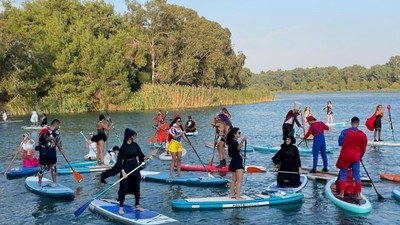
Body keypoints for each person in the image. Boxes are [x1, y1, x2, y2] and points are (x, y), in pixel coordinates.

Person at [336, 116, 367, 200]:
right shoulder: (362, 134)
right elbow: (363, 148)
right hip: (356, 156)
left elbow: (340, 143)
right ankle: (358, 195)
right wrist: (360, 156)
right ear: (358, 123)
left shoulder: (345, 132)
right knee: (357, 175)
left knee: (343, 174)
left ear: (351, 123)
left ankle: (341, 194)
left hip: (345, 156)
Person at [116, 128, 145, 215]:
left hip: (135, 167)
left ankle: (137, 205)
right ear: (129, 136)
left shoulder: (135, 145)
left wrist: (146, 158)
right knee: (124, 187)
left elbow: (141, 155)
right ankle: (121, 207)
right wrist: (123, 172)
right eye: (133, 135)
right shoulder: (123, 147)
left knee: (137, 185)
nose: (135, 137)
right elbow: (119, 161)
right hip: (126, 168)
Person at [36, 119, 62, 187]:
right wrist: (48, 138)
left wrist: (60, 149)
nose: (59, 126)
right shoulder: (45, 130)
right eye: (58, 125)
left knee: (53, 167)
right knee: (42, 168)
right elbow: (40, 139)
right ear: (55, 124)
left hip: (52, 151)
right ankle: (39, 183)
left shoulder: (57, 132)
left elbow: (58, 142)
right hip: (44, 151)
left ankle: (54, 182)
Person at [227, 127, 247, 200]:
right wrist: (242, 141)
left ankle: (232, 194)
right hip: (237, 162)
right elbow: (238, 148)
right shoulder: (234, 142)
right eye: (238, 133)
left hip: (233, 161)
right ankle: (238, 196)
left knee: (233, 180)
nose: (239, 134)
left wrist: (242, 155)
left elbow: (235, 151)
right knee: (239, 181)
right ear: (234, 134)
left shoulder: (231, 142)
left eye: (240, 133)